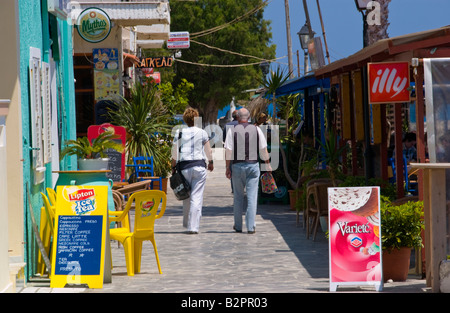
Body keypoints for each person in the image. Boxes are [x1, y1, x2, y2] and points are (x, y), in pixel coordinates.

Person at [224, 108, 272, 234]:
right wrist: (267, 164)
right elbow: (263, 149)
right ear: (249, 117)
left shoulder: (232, 131)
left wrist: (227, 167)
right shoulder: (256, 130)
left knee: (238, 198)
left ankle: (238, 226)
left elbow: (228, 151)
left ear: (238, 118)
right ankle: (251, 227)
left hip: (237, 166)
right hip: (253, 166)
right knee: (252, 197)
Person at [171, 108, 214, 234]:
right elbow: (208, 151)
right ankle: (193, 226)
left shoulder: (179, 133)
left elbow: (174, 152)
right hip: (199, 167)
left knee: (186, 196)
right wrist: (211, 163)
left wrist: (173, 166)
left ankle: (187, 223)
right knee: (196, 197)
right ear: (196, 119)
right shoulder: (202, 133)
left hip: (184, 167)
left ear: (185, 119)